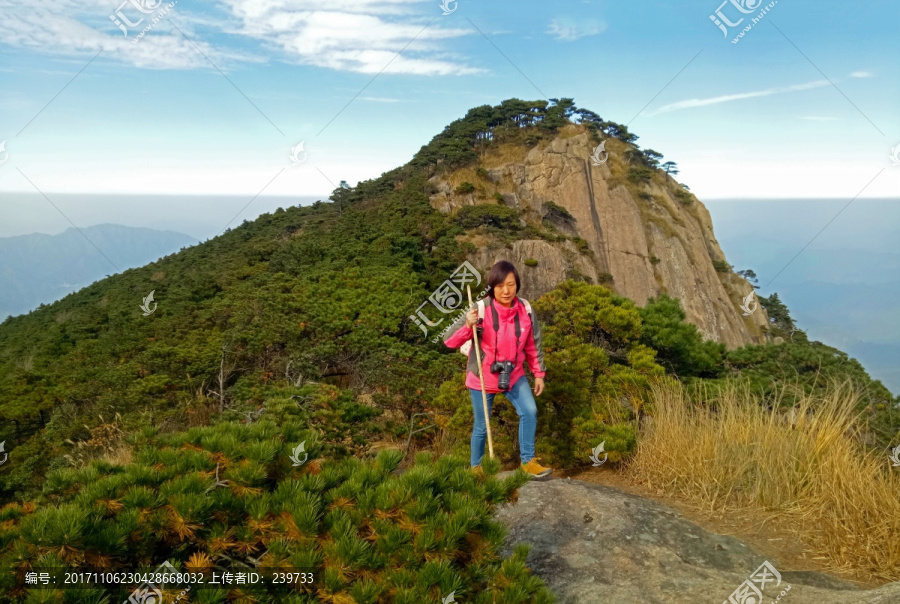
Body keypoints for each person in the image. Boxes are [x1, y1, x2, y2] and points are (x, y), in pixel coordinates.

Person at [444, 260, 552, 478]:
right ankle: (476, 468)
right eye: (500, 285)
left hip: (514, 374)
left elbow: (533, 344)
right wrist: (467, 325)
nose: (506, 290)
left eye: (511, 284)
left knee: (529, 411)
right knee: (482, 426)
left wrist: (539, 374)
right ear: (492, 286)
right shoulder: (479, 309)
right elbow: (448, 341)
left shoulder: (526, 310)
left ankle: (528, 462)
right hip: (482, 376)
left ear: (517, 285)